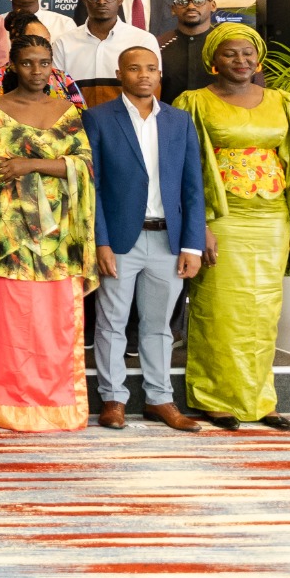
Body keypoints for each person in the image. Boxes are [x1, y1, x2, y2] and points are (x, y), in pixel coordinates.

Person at [174, 23, 290, 432]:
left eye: (248, 53)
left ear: (259, 59)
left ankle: (259, 399)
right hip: (222, 217)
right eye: (230, 54)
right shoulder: (194, 102)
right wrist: (199, 225)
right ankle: (216, 398)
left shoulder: (282, 101)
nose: (241, 60)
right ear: (213, 61)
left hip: (271, 218)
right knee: (221, 309)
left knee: (264, 309)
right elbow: (186, 168)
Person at [0, 33, 98, 432]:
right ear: (12, 66)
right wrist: (52, 163)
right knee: (11, 320)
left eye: (44, 63)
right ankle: (5, 402)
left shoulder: (67, 109)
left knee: (54, 321)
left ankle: (57, 403)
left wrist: (29, 165)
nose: (37, 71)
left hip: (60, 234)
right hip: (11, 232)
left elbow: (85, 166)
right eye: (27, 63)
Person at [85, 46, 207, 433]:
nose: (143, 75)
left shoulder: (179, 121)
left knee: (158, 326)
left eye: (151, 68)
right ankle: (113, 399)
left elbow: (193, 187)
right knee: (112, 323)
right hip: (121, 240)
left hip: (168, 240)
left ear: (159, 74)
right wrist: (101, 242)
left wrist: (192, 245)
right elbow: (93, 188)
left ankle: (159, 399)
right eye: (134, 68)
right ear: (119, 74)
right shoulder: (98, 118)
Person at [52, 0, 157, 108]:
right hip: (78, 120)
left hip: (129, 120)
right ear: (85, 0)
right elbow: (57, 93)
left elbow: (151, 94)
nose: (101, 1)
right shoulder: (63, 43)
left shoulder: (143, 40)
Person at [158, 0, 241, 104]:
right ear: (173, 9)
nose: (191, 6)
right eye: (182, 2)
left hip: (222, 115)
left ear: (213, 5)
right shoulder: (158, 45)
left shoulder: (230, 44)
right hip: (171, 115)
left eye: (199, 0)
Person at [0, 13, 85, 109]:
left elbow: (80, 114)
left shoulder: (63, 78)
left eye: (46, 40)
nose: (42, 46)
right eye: (35, 40)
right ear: (16, 43)